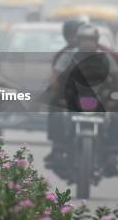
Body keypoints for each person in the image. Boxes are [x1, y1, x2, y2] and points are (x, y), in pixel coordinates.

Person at [46, 24, 118, 175]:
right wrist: (57, 90)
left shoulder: (105, 57)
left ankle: (112, 152)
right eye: (84, 39)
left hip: (100, 98)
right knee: (55, 108)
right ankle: (58, 147)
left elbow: (116, 77)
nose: (87, 43)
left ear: (96, 41)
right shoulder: (69, 55)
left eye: (91, 39)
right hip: (73, 97)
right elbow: (55, 76)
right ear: (78, 41)